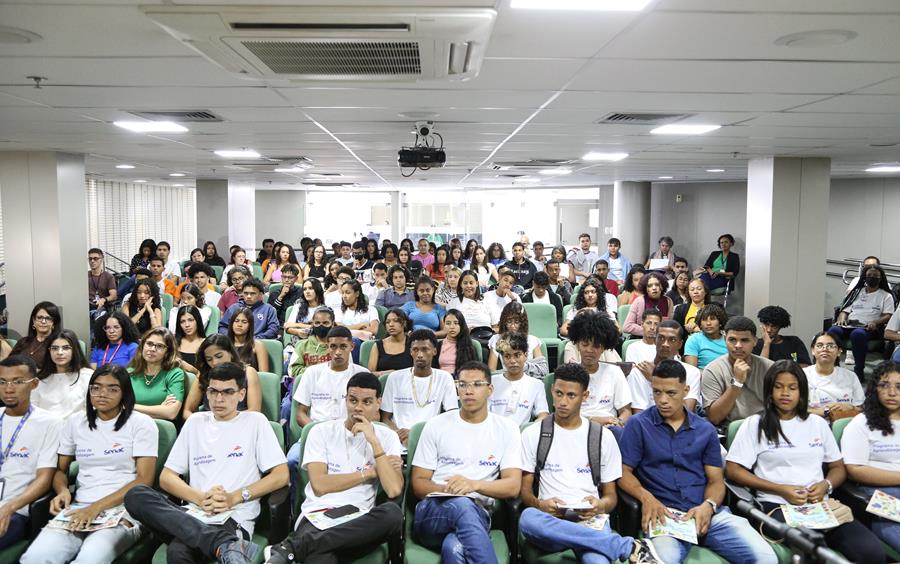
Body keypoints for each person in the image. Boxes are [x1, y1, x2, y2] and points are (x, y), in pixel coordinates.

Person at [125, 362, 288, 564]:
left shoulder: (255, 422)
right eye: (213, 391)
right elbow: (167, 478)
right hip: (193, 512)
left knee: (178, 551)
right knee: (136, 495)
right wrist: (201, 499)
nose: (219, 399)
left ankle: (224, 541)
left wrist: (234, 497)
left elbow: (281, 475)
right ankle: (224, 544)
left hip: (232, 516)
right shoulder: (195, 421)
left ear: (242, 394)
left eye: (228, 392)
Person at [618, 360, 777, 564]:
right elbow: (623, 472)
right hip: (665, 515)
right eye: (657, 392)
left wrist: (708, 506)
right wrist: (646, 497)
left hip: (707, 513)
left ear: (686, 390)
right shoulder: (638, 425)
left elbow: (716, 481)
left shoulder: (705, 430)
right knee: (662, 561)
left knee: (767, 559)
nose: (662, 400)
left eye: (671, 393)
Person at [726, 360, 885, 562]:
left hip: (821, 506)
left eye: (792, 388)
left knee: (871, 553)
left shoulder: (817, 423)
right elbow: (733, 470)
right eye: (778, 387)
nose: (785, 393)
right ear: (769, 390)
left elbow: (837, 467)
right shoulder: (755, 424)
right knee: (811, 549)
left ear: (801, 392)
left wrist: (826, 484)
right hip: (776, 506)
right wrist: (780, 489)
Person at [517, 362, 663, 564]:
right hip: (551, 523)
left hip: (590, 520)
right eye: (558, 393)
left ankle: (596, 542)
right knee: (528, 518)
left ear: (584, 396)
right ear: (551, 390)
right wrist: (540, 505)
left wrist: (600, 505)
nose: (563, 402)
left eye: (571, 395)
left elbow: (611, 497)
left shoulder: (602, 436)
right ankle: (626, 547)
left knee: (598, 562)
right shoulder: (534, 433)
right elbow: (525, 492)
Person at [22, 364, 159, 564]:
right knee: (35, 558)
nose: (102, 394)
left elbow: (144, 479)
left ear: (125, 393)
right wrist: (62, 490)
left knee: (90, 559)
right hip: (80, 506)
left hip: (123, 509)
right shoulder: (76, 422)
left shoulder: (141, 423)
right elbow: (60, 469)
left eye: (112, 389)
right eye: (96, 387)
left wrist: (96, 507)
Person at [265, 372, 403, 564]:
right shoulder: (320, 431)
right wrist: (371, 472)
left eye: (366, 402)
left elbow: (394, 489)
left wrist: (374, 441)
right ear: (346, 400)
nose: (358, 408)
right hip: (317, 517)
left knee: (393, 514)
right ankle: (304, 545)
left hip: (359, 522)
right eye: (353, 400)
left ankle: (294, 547)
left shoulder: (388, 437)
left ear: (378, 403)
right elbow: (320, 485)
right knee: (321, 557)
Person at [410, 361, 522, 563]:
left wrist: (473, 485)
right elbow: (418, 484)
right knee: (461, 504)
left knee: (454, 548)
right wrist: (451, 489)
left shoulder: (507, 428)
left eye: (477, 384)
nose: (469, 391)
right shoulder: (436, 425)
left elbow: (513, 486)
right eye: (463, 385)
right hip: (433, 511)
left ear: (490, 389)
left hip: (478, 514)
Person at [0, 356, 62, 550]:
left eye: (18, 382)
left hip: (15, 510)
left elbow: (44, 480)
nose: (9, 388)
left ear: (34, 384)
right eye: (2, 382)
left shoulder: (50, 422)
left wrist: (9, 508)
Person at [288, 327, 366, 482]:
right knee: (291, 460)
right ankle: (296, 503)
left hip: (352, 435)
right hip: (317, 433)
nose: (338, 352)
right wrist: (319, 431)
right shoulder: (312, 373)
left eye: (343, 347)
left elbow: (373, 414)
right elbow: (300, 414)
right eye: (333, 346)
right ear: (327, 348)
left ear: (352, 347)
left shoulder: (362, 375)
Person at [841, 361, 900, 554]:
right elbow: (855, 470)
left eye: (899, 387)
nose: (892, 392)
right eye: (884, 385)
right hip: (879, 496)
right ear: (874, 389)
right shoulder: (861, 424)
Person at [380, 329, 458, 447]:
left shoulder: (444, 378)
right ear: (410, 352)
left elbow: (451, 416)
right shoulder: (394, 378)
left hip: (430, 438)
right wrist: (397, 434)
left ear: (434, 351)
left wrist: (415, 434)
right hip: (397, 440)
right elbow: (385, 418)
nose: (420, 355)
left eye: (425, 349)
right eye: (415, 349)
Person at [701, 315, 774, 426]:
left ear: (755, 341)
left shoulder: (769, 368)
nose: (738, 345)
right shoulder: (712, 370)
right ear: (725, 339)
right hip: (731, 429)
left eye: (744, 340)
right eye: (732, 340)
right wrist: (737, 382)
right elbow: (714, 418)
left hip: (766, 427)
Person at [829, 264, 895, 379]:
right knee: (833, 331)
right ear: (864, 277)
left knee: (858, 334)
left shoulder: (886, 296)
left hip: (870, 328)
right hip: (850, 324)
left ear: (880, 278)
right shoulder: (856, 293)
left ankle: (858, 371)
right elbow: (845, 310)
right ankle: (833, 366)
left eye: (875, 276)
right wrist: (842, 319)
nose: (872, 278)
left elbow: (888, 315)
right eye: (869, 275)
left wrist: (875, 322)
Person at [568, 310, 632, 428]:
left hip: (610, 428)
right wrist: (594, 420)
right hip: (577, 426)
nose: (589, 350)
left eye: (596, 346)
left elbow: (626, 411)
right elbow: (564, 413)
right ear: (577, 345)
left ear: (603, 348)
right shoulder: (568, 374)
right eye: (585, 344)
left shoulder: (615, 372)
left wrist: (618, 423)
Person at [181, 334, 262, 421]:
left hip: (239, 424)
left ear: (231, 353)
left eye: (219, 356)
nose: (215, 362)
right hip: (209, 427)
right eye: (209, 359)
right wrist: (203, 424)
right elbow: (187, 411)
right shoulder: (204, 375)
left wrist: (223, 421)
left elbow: (254, 411)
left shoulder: (248, 373)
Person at [628, 320, 702, 414]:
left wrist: (654, 379)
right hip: (649, 427)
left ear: (680, 344)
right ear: (655, 340)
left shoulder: (692, 372)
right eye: (661, 338)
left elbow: (687, 412)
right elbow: (639, 416)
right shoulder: (639, 372)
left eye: (672, 340)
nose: (665, 344)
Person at [488, 333, 549, 425]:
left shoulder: (536, 385)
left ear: (525, 355)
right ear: (502, 358)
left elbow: (543, 414)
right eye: (507, 356)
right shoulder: (492, 382)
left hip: (522, 433)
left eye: (517, 355)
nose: (512, 361)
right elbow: (483, 413)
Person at [803, 332, 864, 422]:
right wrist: (823, 412)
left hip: (844, 423)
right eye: (819, 345)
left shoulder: (850, 376)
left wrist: (850, 407)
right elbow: (793, 409)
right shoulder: (802, 375)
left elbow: (861, 408)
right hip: (811, 423)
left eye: (831, 346)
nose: (825, 349)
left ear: (839, 351)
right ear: (813, 350)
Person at [128, 328, 185, 422]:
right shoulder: (129, 373)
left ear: (168, 352)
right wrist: (159, 410)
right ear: (142, 345)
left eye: (160, 346)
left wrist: (130, 407)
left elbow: (171, 413)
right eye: (149, 344)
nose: (152, 349)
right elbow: (116, 406)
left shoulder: (174, 374)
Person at [34, 330, 92, 418]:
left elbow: (91, 411)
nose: (59, 352)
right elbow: (33, 409)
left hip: (76, 428)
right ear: (49, 351)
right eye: (54, 348)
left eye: (66, 348)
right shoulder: (40, 378)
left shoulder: (87, 376)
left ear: (74, 350)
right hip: (44, 427)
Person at [486, 302, 544, 376]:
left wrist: (523, 368)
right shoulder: (496, 339)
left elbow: (542, 369)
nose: (512, 326)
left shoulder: (533, 340)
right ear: (504, 322)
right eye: (509, 322)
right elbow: (492, 371)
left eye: (516, 322)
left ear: (522, 323)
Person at [448, 270, 500, 338]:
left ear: (477, 283)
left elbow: (497, 328)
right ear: (461, 284)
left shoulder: (487, 301)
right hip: (464, 338)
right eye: (465, 283)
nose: (468, 286)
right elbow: (450, 327)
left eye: (471, 283)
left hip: (487, 338)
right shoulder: (454, 303)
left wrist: (486, 331)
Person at [11, 301, 62, 368]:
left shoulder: (59, 343)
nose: (43, 322)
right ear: (33, 320)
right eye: (39, 317)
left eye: (48, 318)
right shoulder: (23, 342)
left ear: (54, 322)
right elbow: (9, 364)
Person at [287, 306, 333, 379]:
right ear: (312, 324)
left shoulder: (339, 346)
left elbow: (346, 370)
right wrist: (316, 372)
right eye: (317, 323)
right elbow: (293, 370)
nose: (321, 326)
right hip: (308, 384)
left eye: (325, 323)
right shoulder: (302, 345)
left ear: (332, 324)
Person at [623, 272, 674, 336]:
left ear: (662, 286)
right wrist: (651, 332)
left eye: (657, 284)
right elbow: (627, 327)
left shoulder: (668, 301)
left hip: (661, 339)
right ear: (646, 289)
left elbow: (669, 325)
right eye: (650, 286)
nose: (654, 288)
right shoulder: (639, 301)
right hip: (641, 338)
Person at [335, 279, 380, 349]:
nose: (344, 296)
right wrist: (361, 325)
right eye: (343, 293)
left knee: (355, 340)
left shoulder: (371, 310)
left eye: (347, 292)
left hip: (366, 344)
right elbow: (339, 330)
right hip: (344, 344)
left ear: (357, 294)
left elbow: (373, 330)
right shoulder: (339, 311)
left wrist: (348, 328)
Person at [368, 308, 413, 375]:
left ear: (404, 323)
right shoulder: (378, 346)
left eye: (396, 321)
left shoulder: (413, 344)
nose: (391, 324)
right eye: (388, 322)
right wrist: (385, 373)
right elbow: (369, 375)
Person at [683, 303, 728, 370]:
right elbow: (692, 372)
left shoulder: (728, 339)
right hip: (702, 377)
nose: (708, 323)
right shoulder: (694, 339)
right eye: (704, 319)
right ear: (700, 324)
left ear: (720, 322)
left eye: (712, 319)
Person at [435, 309, 478, 377]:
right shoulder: (438, 345)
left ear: (461, 325)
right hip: (442, 381)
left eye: (456, 323)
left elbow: (473, 371)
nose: (452, 327)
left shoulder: (469, 346)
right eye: (448, 323)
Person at [226, 307, 270, 372]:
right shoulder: (224, 344)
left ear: (250, 326)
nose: (239, 325)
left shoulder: (258, 346)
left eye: (244, 322)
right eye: (236, 321)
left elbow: (264, 375)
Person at [283, 278, 325, 344]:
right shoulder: (298, 306)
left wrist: (298, 325)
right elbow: (287, 327)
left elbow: (321, 328)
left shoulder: (324, 309)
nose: (307, 292)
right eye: (305, 289)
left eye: (310, 288)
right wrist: (298, 332)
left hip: (318, 343)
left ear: (317, 290)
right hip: (299, 342)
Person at [174, 305, 204, 375]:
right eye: (182, 321)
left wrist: (192, 370)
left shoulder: (206, 343)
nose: (187, 325)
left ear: (197, 320)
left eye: (190, 320)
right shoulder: (174, 342)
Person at [88, 248, 117, 313]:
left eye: (95, 258)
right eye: (90, 259)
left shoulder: (108, 276)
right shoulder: (85, 276)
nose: (92, 261)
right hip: (87, 307)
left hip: (102, 307)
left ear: (101, 260)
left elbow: (113, 296)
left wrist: (104, 299)